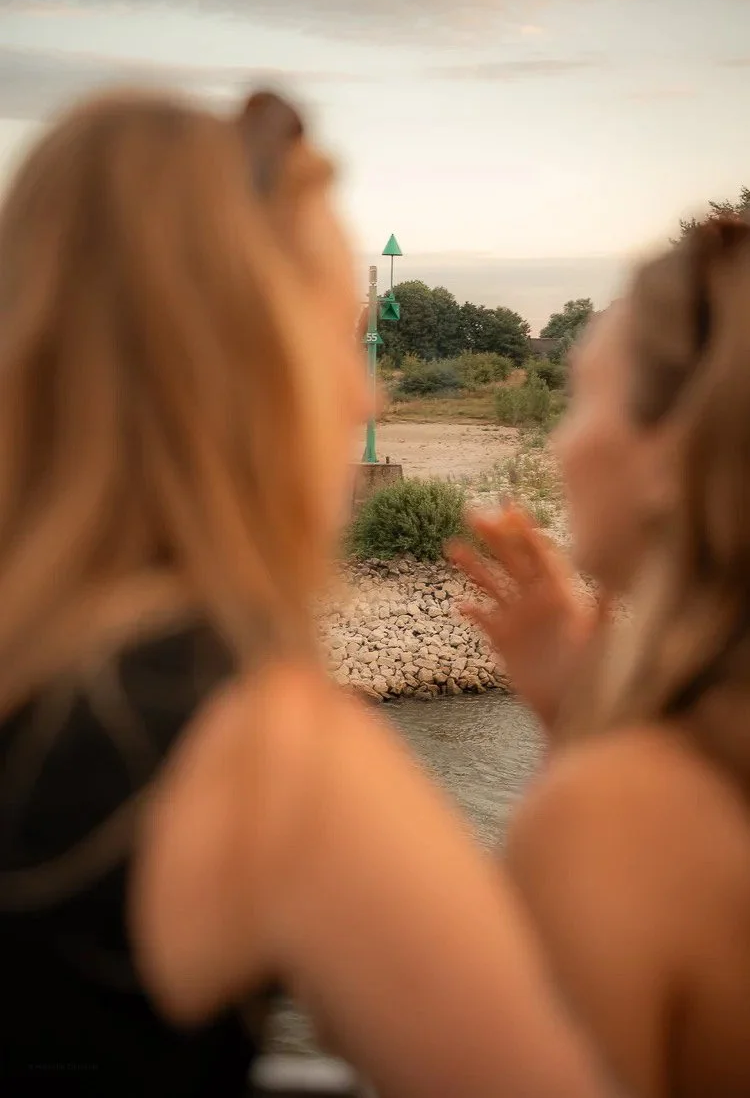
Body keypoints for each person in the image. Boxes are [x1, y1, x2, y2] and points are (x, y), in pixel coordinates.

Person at [0, 87, 614, 1098]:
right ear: (238, 367)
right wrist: (587, 736)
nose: (368, 392)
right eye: (339, 337)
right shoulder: (264, 763)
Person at [450, 213, 750, 1097]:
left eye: (583, 396)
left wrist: (588, 774)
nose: (560, 440)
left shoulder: (609, 818)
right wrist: (579, 714)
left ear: (671, 451)